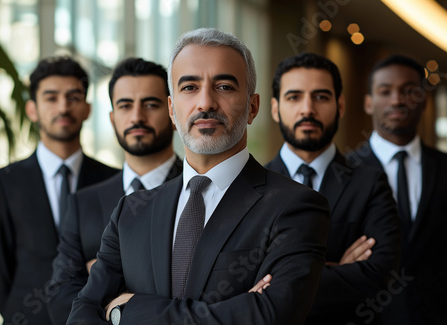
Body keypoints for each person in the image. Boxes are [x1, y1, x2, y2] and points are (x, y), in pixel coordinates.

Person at [66, 28, 330, 325]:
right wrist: (238, 308)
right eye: (189, 87)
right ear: (171, 109)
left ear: (253, 107)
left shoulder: (295, 207)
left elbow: (270, 316)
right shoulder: (131, 212)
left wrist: (127, 312)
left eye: (225, 87)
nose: (205, 103)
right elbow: (83, 311)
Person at [265, 52, 401, 324]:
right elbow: (240, 279)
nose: (307, 109)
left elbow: (381, 274)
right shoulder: (252, 187)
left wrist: (281, 280)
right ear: (275, 108)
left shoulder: (371, 184)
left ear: (340, 105)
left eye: (321, 97)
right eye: (294, 97)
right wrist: (336, 270)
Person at [0, 56, 119, 325]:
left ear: (87, 109)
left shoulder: (114, 180)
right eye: (51, 97)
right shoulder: (6, 182)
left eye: (73, 97)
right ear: (32, 109)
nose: (63, 107)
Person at [47, 57, 183, 325]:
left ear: (173, 112)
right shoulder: (82, 203)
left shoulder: (201, 190)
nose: (136, 117)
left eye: (150, 104)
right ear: (112, 118)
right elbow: (61, 298)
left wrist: (98, 283)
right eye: (125, 105)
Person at [348, 54, 447, 325]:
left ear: (424, 100)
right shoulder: (342, 172)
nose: (397, 100)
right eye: (385, 91)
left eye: (408, 91)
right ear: (368, 102)